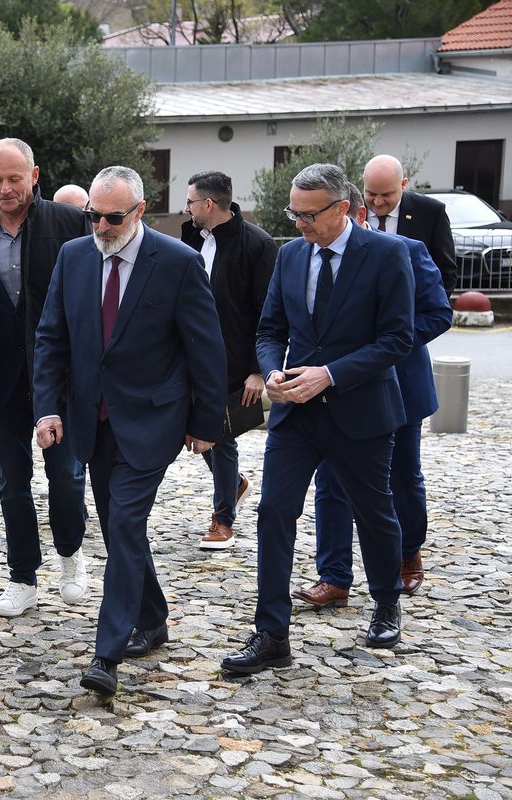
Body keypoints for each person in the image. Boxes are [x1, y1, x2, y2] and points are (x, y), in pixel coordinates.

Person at [34, 166, 225, 696]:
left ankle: (107, 652)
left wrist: (206, 423)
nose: (101, 226)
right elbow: (51, 338)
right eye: (92, 216)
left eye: (113, 217)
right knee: (123, 526)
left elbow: (205, 348)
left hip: (153, 419)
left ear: (139, 211)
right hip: (91, 420)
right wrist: (47, 409)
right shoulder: (73, 257)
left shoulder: (178, 262)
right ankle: (153, 616)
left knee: (122, 522)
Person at [220, 164, 415, 676]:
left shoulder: (387, 254)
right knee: (273, 512)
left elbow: (398, 338)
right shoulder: (289, 255)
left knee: (373, 511)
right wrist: (270, 371)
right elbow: (269, 330)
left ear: (343, 208)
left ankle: (386, 604)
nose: (299, 223)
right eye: (294, 213)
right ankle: (272, 634)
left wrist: (330, 375)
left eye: (309, 215)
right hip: (296, 415)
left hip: (361, 410)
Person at [294, 184, 452, 609]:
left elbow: (438, 313)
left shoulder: (406, 251)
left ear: (354, 215)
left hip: (399, 384)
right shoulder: (316, 255)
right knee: (331, 481)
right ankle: (334, 576)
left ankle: (407, 554)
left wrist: (384, 344)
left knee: (402, 476)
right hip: (338, 389)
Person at [0, 138, 90, 617]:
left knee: (66, 476)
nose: (6, 188)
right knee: (13, 481)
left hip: (60, 376)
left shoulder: (69, 224)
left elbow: (88, 302)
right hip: (1, 377)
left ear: (34, 175)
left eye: (15, 178)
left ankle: (71, 555)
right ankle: (22, 577)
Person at [180, 171, 277, 549]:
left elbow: (269, 311)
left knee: (220, 433)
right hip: (189, 353)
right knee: (190, 428)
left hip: (232, 359)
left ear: (208, 204)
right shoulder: (190, 236)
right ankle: (234, 484)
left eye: (190, 202)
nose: (185, 209)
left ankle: (223, 519)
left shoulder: (258, 244)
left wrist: (257, 369)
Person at [362, 155, 457, 293]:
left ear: (403, 184)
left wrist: (429, 305)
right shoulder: (350, 210)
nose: (378, 202)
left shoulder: (430, 212)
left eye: (386, 195)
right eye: (371, 194)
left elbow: (446, 272)